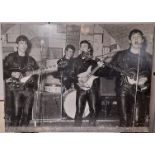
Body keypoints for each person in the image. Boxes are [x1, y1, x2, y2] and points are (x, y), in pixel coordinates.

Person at [101, 29, 152, 127]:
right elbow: (109, 73)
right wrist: (102, 67)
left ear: (142, 40)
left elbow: (153, 73)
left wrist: (146, 79)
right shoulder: (120, 55)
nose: (136, 39)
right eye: (134, 37)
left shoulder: (148, 57)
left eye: (138, 37)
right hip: (123, 89)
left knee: (138, 121)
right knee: (124, 121)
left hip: (140, 90)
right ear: (129, 40)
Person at [3, 35, 39, 126]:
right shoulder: (10, 57)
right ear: (17, 45)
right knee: (15, 116)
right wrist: (11, 74)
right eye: (21, 43)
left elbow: (36, 75)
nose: (24, 45)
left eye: (25, 43)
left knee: (26, 116)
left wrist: (32, 80)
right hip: (15, 90)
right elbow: (3, 70)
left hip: (28, 91)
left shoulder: (31, 60)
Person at [71, 40, 102, 126]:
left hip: (92, 88)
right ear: (80, 48)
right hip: (81, 88)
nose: (84, 48)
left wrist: (101, 67)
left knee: (94, 109)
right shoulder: (75, 61)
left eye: (86, 46)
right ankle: (76, 130)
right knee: (79, 110)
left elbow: (99, 74)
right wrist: (78, 80)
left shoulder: (94, 60)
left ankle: (91, 129)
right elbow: (71, 74)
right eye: (82, 46)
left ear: (89, 49)